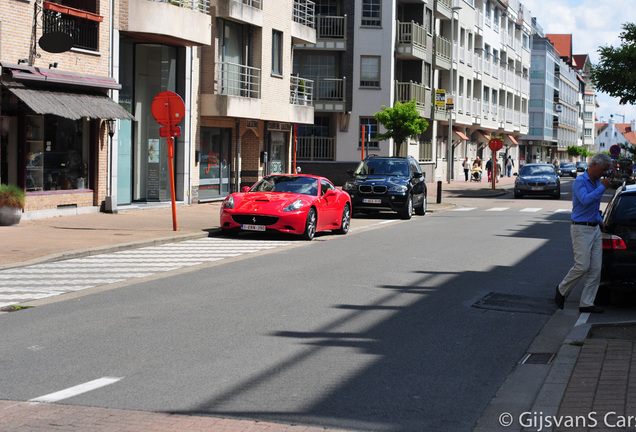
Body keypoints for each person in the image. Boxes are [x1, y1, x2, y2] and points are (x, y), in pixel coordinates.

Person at [554, 153, 612, 314]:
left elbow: (592, 207)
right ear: (594, 165)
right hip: (580, 228)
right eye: (603, 169)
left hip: (594, 228)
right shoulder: (580, 181)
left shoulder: (597, 181)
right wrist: (602, 188)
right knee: (583, 265)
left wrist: (599, 219)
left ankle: (586, 303)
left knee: (595, 269)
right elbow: (585, 200)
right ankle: (561, 289)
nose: (605, 173)